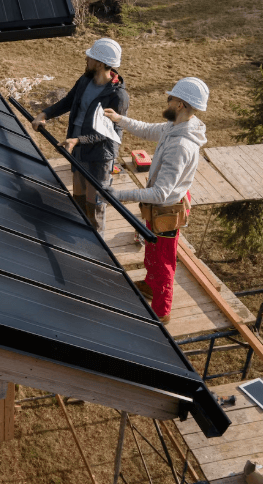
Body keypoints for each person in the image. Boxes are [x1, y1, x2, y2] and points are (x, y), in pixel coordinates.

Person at [103, 76, 209, 324]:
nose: (167, 100)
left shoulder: (181, 145)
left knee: (164, 263)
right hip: (160, 208)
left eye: (170, 98)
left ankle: (162, 312)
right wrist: (120, 120)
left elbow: (161, 193)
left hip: (166, 210)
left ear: (180, 104)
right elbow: (150, 129)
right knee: (153, 250)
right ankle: (150, 286)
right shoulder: (177, 126)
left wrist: (119, 195)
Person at [32, 38, 129, 234]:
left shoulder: (118, 96)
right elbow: (69, 101)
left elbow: (108, 133)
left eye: (90, 57)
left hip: (99, 158)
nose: (86, 58)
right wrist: (45, 114)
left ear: (100, 63)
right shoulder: (85, 80)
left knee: (95, 207)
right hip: (78, 151)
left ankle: (98, 251)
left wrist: (78, 140)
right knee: (78, 202)